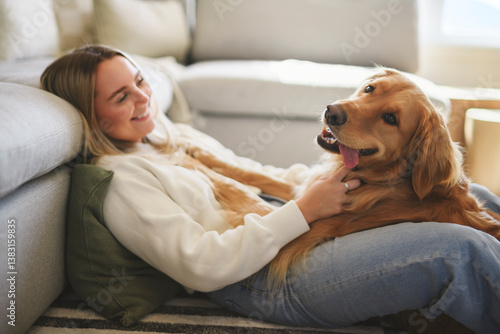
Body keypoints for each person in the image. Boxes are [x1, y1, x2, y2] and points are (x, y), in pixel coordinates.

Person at [41, 44, 500, 333]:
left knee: (478, 199)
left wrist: (316, 187)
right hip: (265, 282)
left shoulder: (166, 134)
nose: (143, 98)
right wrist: (304, 210)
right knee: (459, 251)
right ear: (92, 117)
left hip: (284, 234)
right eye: (121, 97)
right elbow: (203, 266)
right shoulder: (122, 180)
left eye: (140, 81)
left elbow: (250, 168)